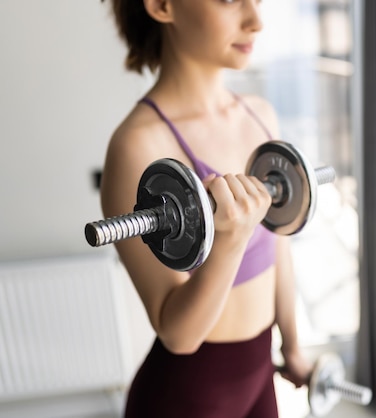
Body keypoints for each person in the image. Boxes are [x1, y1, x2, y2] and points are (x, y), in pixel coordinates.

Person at [99, 0, 312, 416]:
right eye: (231, 0)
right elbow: (179, 336)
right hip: (187, 396)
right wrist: (230, 241)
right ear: (162, 6)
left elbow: (277, 246)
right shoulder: (137, 147)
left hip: (260, 378)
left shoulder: (260, 114)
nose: (256, 21)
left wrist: (293, 344)